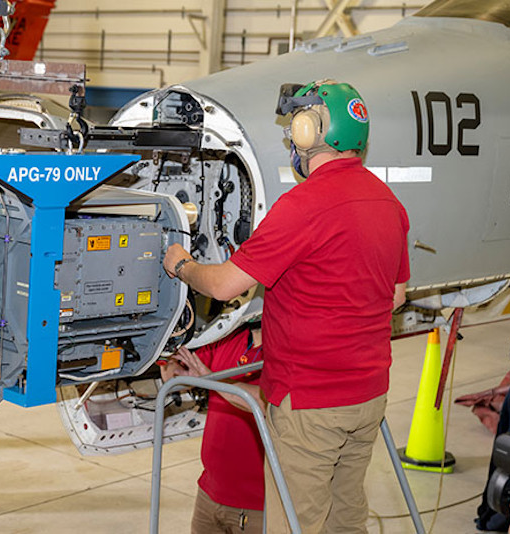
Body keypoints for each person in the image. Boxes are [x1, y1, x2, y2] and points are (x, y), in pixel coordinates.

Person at [163, 80, 409, 533]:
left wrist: (182, 264)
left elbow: (224, 285)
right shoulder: (387, 202)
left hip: (311, 404)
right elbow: (396, 296)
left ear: (309, 130)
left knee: (296, 523)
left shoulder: (303, 205)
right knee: (345, 521)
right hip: (368, 396)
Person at [160, 324, 265, 533]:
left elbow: (265, 404)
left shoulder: (286, 351)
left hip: (257, 506)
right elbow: (177, 378)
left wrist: (211, 378)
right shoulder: (226, 336)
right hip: (209, 493)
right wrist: (165, 354)